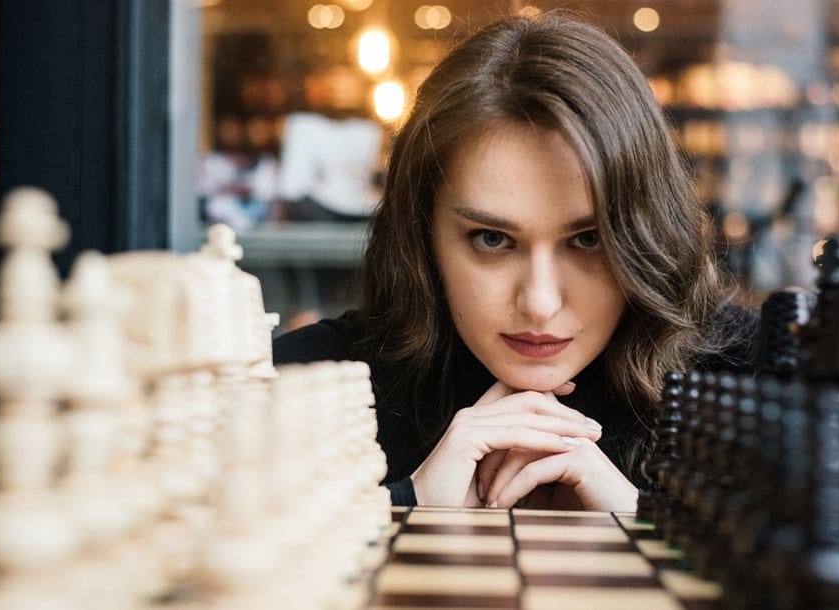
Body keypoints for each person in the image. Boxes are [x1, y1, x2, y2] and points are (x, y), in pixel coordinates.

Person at [273, 10, 757, 512]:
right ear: (421, 235)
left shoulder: (756, 381)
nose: (540, 304)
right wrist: (405, 503)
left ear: (645, 231)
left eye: (589, 239)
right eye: (491, 239)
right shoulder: (303, 390)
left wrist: (639, 522)